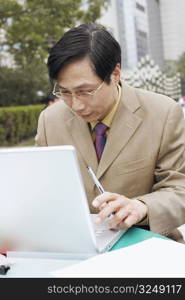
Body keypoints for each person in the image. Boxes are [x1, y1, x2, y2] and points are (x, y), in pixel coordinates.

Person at [35, 23, 185, 242]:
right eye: (65, 92)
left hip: (147, 244)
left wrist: (142, 206)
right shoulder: (50, 120)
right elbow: (42, 189)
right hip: (77, 245)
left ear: (115, 74)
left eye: (85, 91)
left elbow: (179, 189)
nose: (75, 105)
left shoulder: (163, 113)